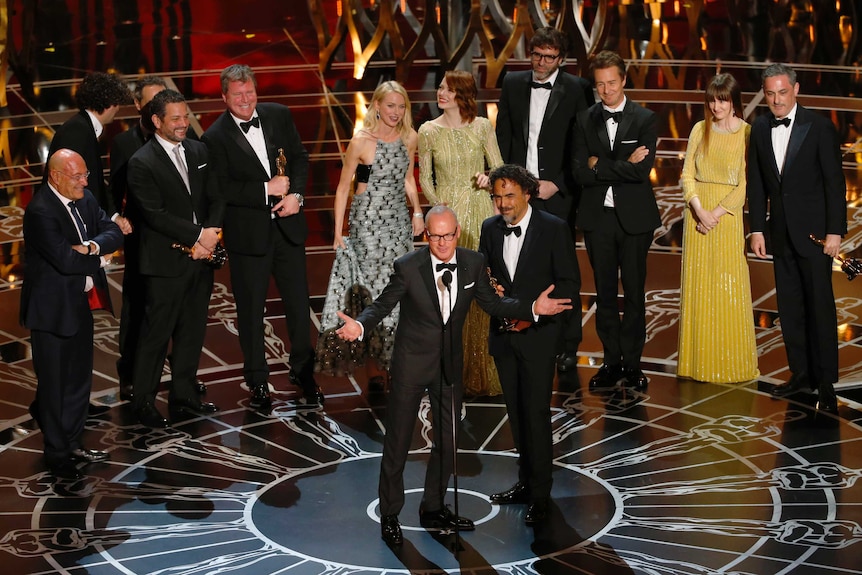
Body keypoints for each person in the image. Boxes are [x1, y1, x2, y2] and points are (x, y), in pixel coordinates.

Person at [335, 205, 572, 545]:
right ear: (426, 235)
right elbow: (383, 305)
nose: (443, 243)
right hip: (411, 365)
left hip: (448, 366)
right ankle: (390, 514)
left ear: (457, 233)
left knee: (447, 441)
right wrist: (359, 325)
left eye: (448, 235)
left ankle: (433, 507)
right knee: (398, 442)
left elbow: (493, 304)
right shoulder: (408, 267)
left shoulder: (473, 263)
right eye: (435, 236)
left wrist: (532, 308)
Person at [201, 64, 323, 411]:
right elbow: (219, 189)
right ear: (224, 97)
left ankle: (304, 372)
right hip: (248, 238)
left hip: (288, 232)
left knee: (299, 308)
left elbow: (299, 157)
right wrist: (263, 189)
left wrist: (296, 196)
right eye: (237, 94)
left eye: (250, 92)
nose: (245, 100)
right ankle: (257, 380)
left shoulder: (278, 116)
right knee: (251, 313)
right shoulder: (214, 137)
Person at [479, 164, 579, 525]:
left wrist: (539, 317)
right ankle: (525, 482)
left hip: (539, 338)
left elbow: (568, 283)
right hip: (504, 336)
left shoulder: (554, 229)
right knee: (518, 416)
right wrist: (495, 295)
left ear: (527, 193)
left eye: (509, 195)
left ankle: (540, 493)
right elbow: (484, 279)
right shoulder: (489, 229)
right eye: (497, 196)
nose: (503, 204)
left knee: (536, 415)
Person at [747, 63, 846, 415]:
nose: (776, 100)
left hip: (817, 234)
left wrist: (835, 232)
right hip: (780, 234)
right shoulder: (759, 127)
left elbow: (835, 183)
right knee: (789, 307)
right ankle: (800, 374)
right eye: (770, 93)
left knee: (819, 307)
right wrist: (757, 227)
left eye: (782, 92)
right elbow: (757, 183)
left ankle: (825, 383)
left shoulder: (819, 127)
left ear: (796, 89)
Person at [21, 148, 123, 479]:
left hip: (78, 304)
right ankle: (57, 451)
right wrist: (102, 258)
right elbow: (65, 261)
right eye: (77, 176)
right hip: (50, 310)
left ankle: (73, 440)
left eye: (85, 175)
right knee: (54, 384)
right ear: (56, 176)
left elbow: (113, 231)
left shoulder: (85, 197)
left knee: (79, 378)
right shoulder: (40, 211)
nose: (84, 182)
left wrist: (92, 247)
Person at [495, 26, 593, 373]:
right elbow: (503, 136)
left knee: (562, 270)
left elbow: (583, 145)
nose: (541, 62)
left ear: (561, 60)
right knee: (516, 264)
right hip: (518, 192)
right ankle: (519, 327)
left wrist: (560, 184)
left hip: (556, 194)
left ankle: (568, 344)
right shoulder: (512, 83)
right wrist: (507, 186)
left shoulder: (578, 89)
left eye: (549, 57)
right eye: (536, 55)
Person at [315, 81, 424, 384]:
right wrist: (339, 233)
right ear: (377, 106)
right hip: (367, 226)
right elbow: (343, 189)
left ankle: (394, 361)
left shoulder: (409, 137)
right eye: (390, 105)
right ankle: (378, 365)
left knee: (399, 291)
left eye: (401, 106)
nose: (396, 112)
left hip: (398, 225)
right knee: (374, 294)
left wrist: (417, 212)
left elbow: (407, 180)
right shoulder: (361, 141)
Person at [127, 89, 224, 428]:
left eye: (185, 116)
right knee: (157, 335)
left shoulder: (199, 150)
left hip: (201, 258)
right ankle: (142, 402)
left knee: (192, 331)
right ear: (156, 121)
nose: (184, 124)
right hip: (165, 265)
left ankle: (183, 396)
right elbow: (156, 215)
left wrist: (211, 233)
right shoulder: (141, 162)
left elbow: (216, 196)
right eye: (176, 119)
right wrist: (199, 236)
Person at [572, 50, 660, 390]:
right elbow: (580, 172)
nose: (606, 90)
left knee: (635, 293)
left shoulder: (645, 119)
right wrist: (620, 162)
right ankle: (610, 362)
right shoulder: (583, 119)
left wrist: (601, 164)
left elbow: (642, 172)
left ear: (623, 80)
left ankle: (633, 364)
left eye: (612, 83)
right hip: (598, 218)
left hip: (635, 219)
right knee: (604, 293)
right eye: (600, 85)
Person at [47, 71, 132, 416]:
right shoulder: (78, 133)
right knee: (70, 329)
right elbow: (79, 191)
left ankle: (74, 403)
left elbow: (91, 186)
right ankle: (60, 407)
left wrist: (110, 219)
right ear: (110, 104)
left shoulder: (80, 129)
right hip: (71, 249)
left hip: (77, 242)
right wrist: (101, 231)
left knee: (78, 328)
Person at [419, 70, 504, 397]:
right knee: (446, 294)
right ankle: (448, 369)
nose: (441, 93)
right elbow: (425, 176)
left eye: (449, 89)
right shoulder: (428, 131)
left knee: (480, 288)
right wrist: (438, 205)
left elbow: (499, 167)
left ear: (463, 95)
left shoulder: (482, 126)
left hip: (479, 214)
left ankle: (481, 368)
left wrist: (488, 177)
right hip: (447, 217)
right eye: (440, 87)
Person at [677, 73, 759, 383]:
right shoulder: (700, 129)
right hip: (697, 218)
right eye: (712, 99)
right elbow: (686, 175)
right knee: (700, 288)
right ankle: (697, 364)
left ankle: (732, 364)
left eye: (722, 99)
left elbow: (746, 183)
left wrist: (716, 213)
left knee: (728, 287)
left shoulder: (748, 134)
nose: (716, 105)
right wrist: (699, 209)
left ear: (734, 101)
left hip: (727, 218)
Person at [109, 75, 168, 401]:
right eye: (150, 101)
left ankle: (176, 375)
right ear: (137, 105)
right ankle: (129, 375)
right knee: (137, 308)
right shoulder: (124, 144)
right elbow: (116, 194)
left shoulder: (180, 137)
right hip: (141, 241)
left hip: (175, 240)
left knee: (172, 309)